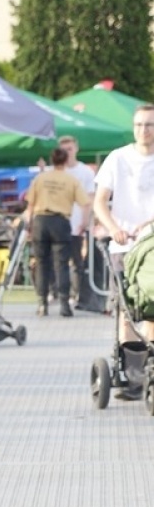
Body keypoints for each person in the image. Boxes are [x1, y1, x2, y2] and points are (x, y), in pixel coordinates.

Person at [93, 103, 154, 354]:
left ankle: (149, 360)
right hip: (124, 244)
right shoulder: (118, 158)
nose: (144, 130)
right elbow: (99, 201)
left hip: (151, 246)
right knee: (126, 309)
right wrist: (113, 228)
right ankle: (130, 363)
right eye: (139, 124)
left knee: (152, 308)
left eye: (149, 124)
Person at [24, 146, 89, 317]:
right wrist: (83, 222)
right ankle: (64, 305)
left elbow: (30, 203)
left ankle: (42, 304)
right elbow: (85, 203)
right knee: (62, 264)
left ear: (51, 160)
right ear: (66, 160)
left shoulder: (40, 178)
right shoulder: (71, 180)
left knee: (41, 263)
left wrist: (29, 224)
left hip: (41, 221)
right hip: (60, 222)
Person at [57, 135, 98, 311]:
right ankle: (61, 296)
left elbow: (90, 197)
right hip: (59, 223)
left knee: (77, 262)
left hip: (77, 223)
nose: (67, 152)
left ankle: (77, 294)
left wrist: (85, 220)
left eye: (70, 149)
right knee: (59, 262)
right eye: (64, 150)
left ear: (76, 149)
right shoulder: (56, 171)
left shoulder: (85, 172)